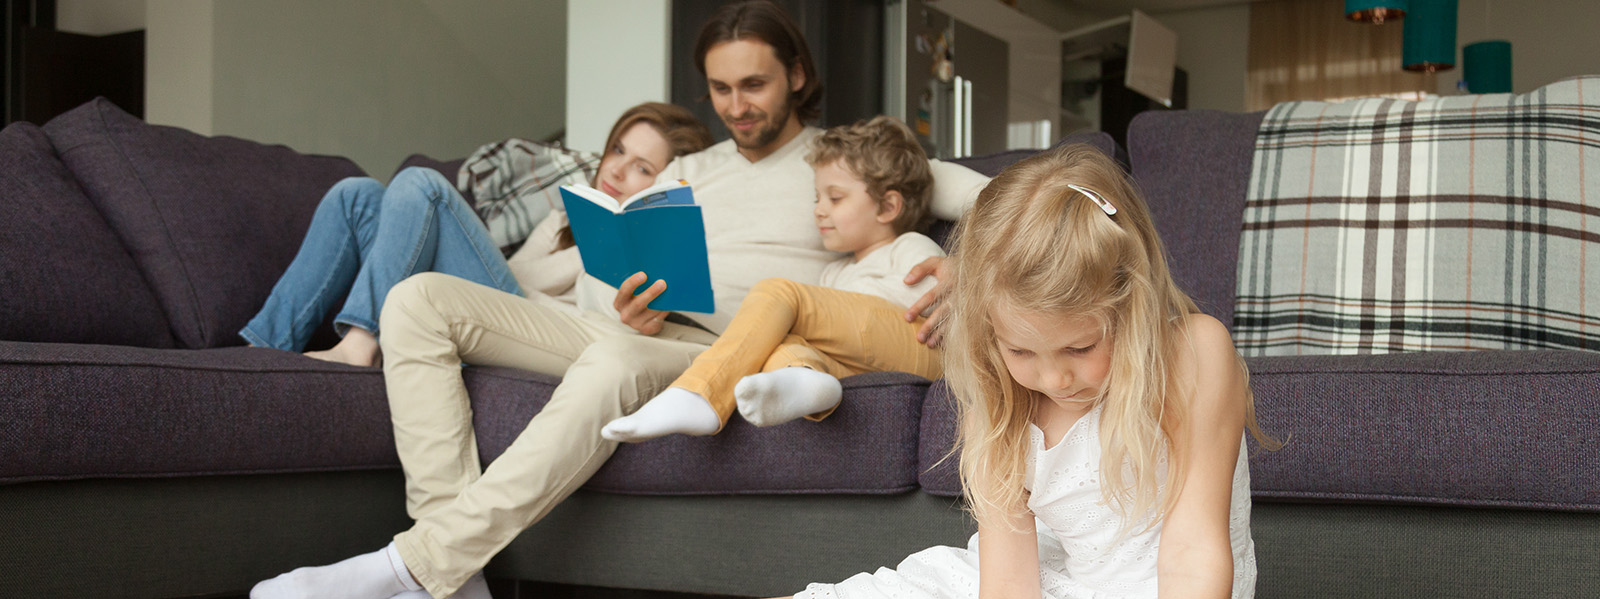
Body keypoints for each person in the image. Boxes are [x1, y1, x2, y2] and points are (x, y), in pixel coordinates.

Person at [251, 2, 987, 598]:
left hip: (717, 352)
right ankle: (456, 572)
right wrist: (623, 296)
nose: (737, 106)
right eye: (722, 89)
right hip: (633, 325)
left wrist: (969, 266)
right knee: (416, 300)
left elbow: (995, 197)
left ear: (796, 75)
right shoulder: (691, 167)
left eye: (754, 85)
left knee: (612, 357)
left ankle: (413, 566)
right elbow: (615, 263)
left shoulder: (840, 161)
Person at [786, 144, 1279, 599]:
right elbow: (1008, 585)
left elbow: (1193, 556)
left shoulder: (1190, 353)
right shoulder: (996, 400)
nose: (1054, 379)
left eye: (1080, 346)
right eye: (1020, 351)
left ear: (1135, 301)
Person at [239, 102, 712, 367]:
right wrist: (582, 245)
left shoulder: (652, 246)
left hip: (531, 332)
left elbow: (598, 318)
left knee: (422, 185)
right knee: (356, 195)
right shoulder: (569, 219)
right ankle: (261, 350)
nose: (616, 169)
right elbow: (518, 274)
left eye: (642, 167)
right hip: (506, 296)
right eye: (617, 150)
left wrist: (598, 247)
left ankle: (361, 344)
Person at [601, 115, 945, 442]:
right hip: (868, 361)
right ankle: (810, 380)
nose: (819, 209)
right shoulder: (834, 271)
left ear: (888, 207)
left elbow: (941, 300)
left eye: (835, 198)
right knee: (779, 343)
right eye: (817, 197)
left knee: (777, 292)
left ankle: (699, 394)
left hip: (922, 346)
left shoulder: (910, 247)